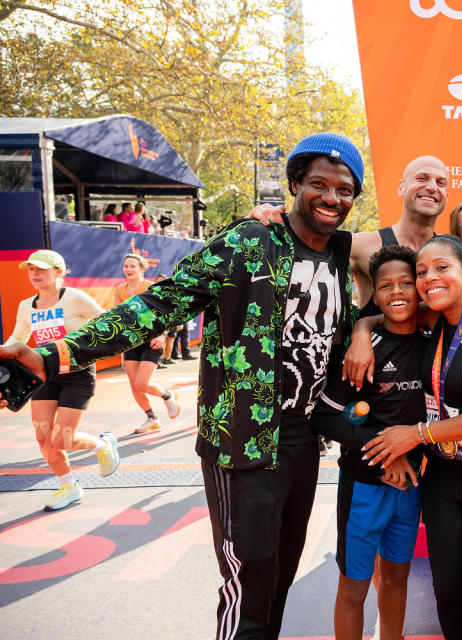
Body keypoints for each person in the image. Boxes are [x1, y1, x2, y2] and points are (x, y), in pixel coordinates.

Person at [0, 132, 365, 638]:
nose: (332, 198)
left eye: (345, 189)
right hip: (242, 441)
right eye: (319, 184)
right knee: (248, 583)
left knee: (279, 577)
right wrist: (56, 354)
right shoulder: (249, 241)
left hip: (303, 444)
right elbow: (160, 303)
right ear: (296, 185)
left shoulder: (339, 263)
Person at [353, 234, 462, 640]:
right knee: (447, 591)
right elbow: (382, 315)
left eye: (441, 268)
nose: (429, 278)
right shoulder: (434, 319)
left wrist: (416, 434)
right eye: (422, 272)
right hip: (444, 477)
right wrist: (361, 332)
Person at [312, 245, 426, 640]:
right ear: (374, 295)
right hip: (364, 486)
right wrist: (385, 452)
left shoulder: (436, 343)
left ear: (421, 287)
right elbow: (325, 415)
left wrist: (408, 455)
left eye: (406, 283)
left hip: (411, 487)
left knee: (395, 580)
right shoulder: (363, 349)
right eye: (385, 285)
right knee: (354, 587)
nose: (397, 292)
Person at [249, 155, 450, 316]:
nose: (432, 187)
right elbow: (299, 249)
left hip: (440, 365)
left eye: (441, 183)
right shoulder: (360, 245)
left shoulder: (452, 254)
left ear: (446, 195)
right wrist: (262, 221)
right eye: (422, 178)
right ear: (401, 187)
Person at [3, 250, 121, 511]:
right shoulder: (26, 306)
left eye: (41, 269)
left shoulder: (75, 298)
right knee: (43, 437)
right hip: (45, 373)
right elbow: (16, 340)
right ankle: (69, 486)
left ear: (59, 272)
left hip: (77, 374)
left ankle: (102, 444)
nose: (34, 274)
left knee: (63, 440)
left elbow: (110, 322)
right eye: (31, 269)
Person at [115, 253, 180, 434]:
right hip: (131, 341)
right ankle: (151, 418)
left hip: (152, 340)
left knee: (142, 383)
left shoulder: (150, 287)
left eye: (133, 266)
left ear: (141, 269)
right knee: (134, 384)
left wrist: (163, 336)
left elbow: (170, 312)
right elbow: (116, 317)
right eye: (126, 266)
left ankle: (167, 396)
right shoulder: (120, 290)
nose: (128, 269)